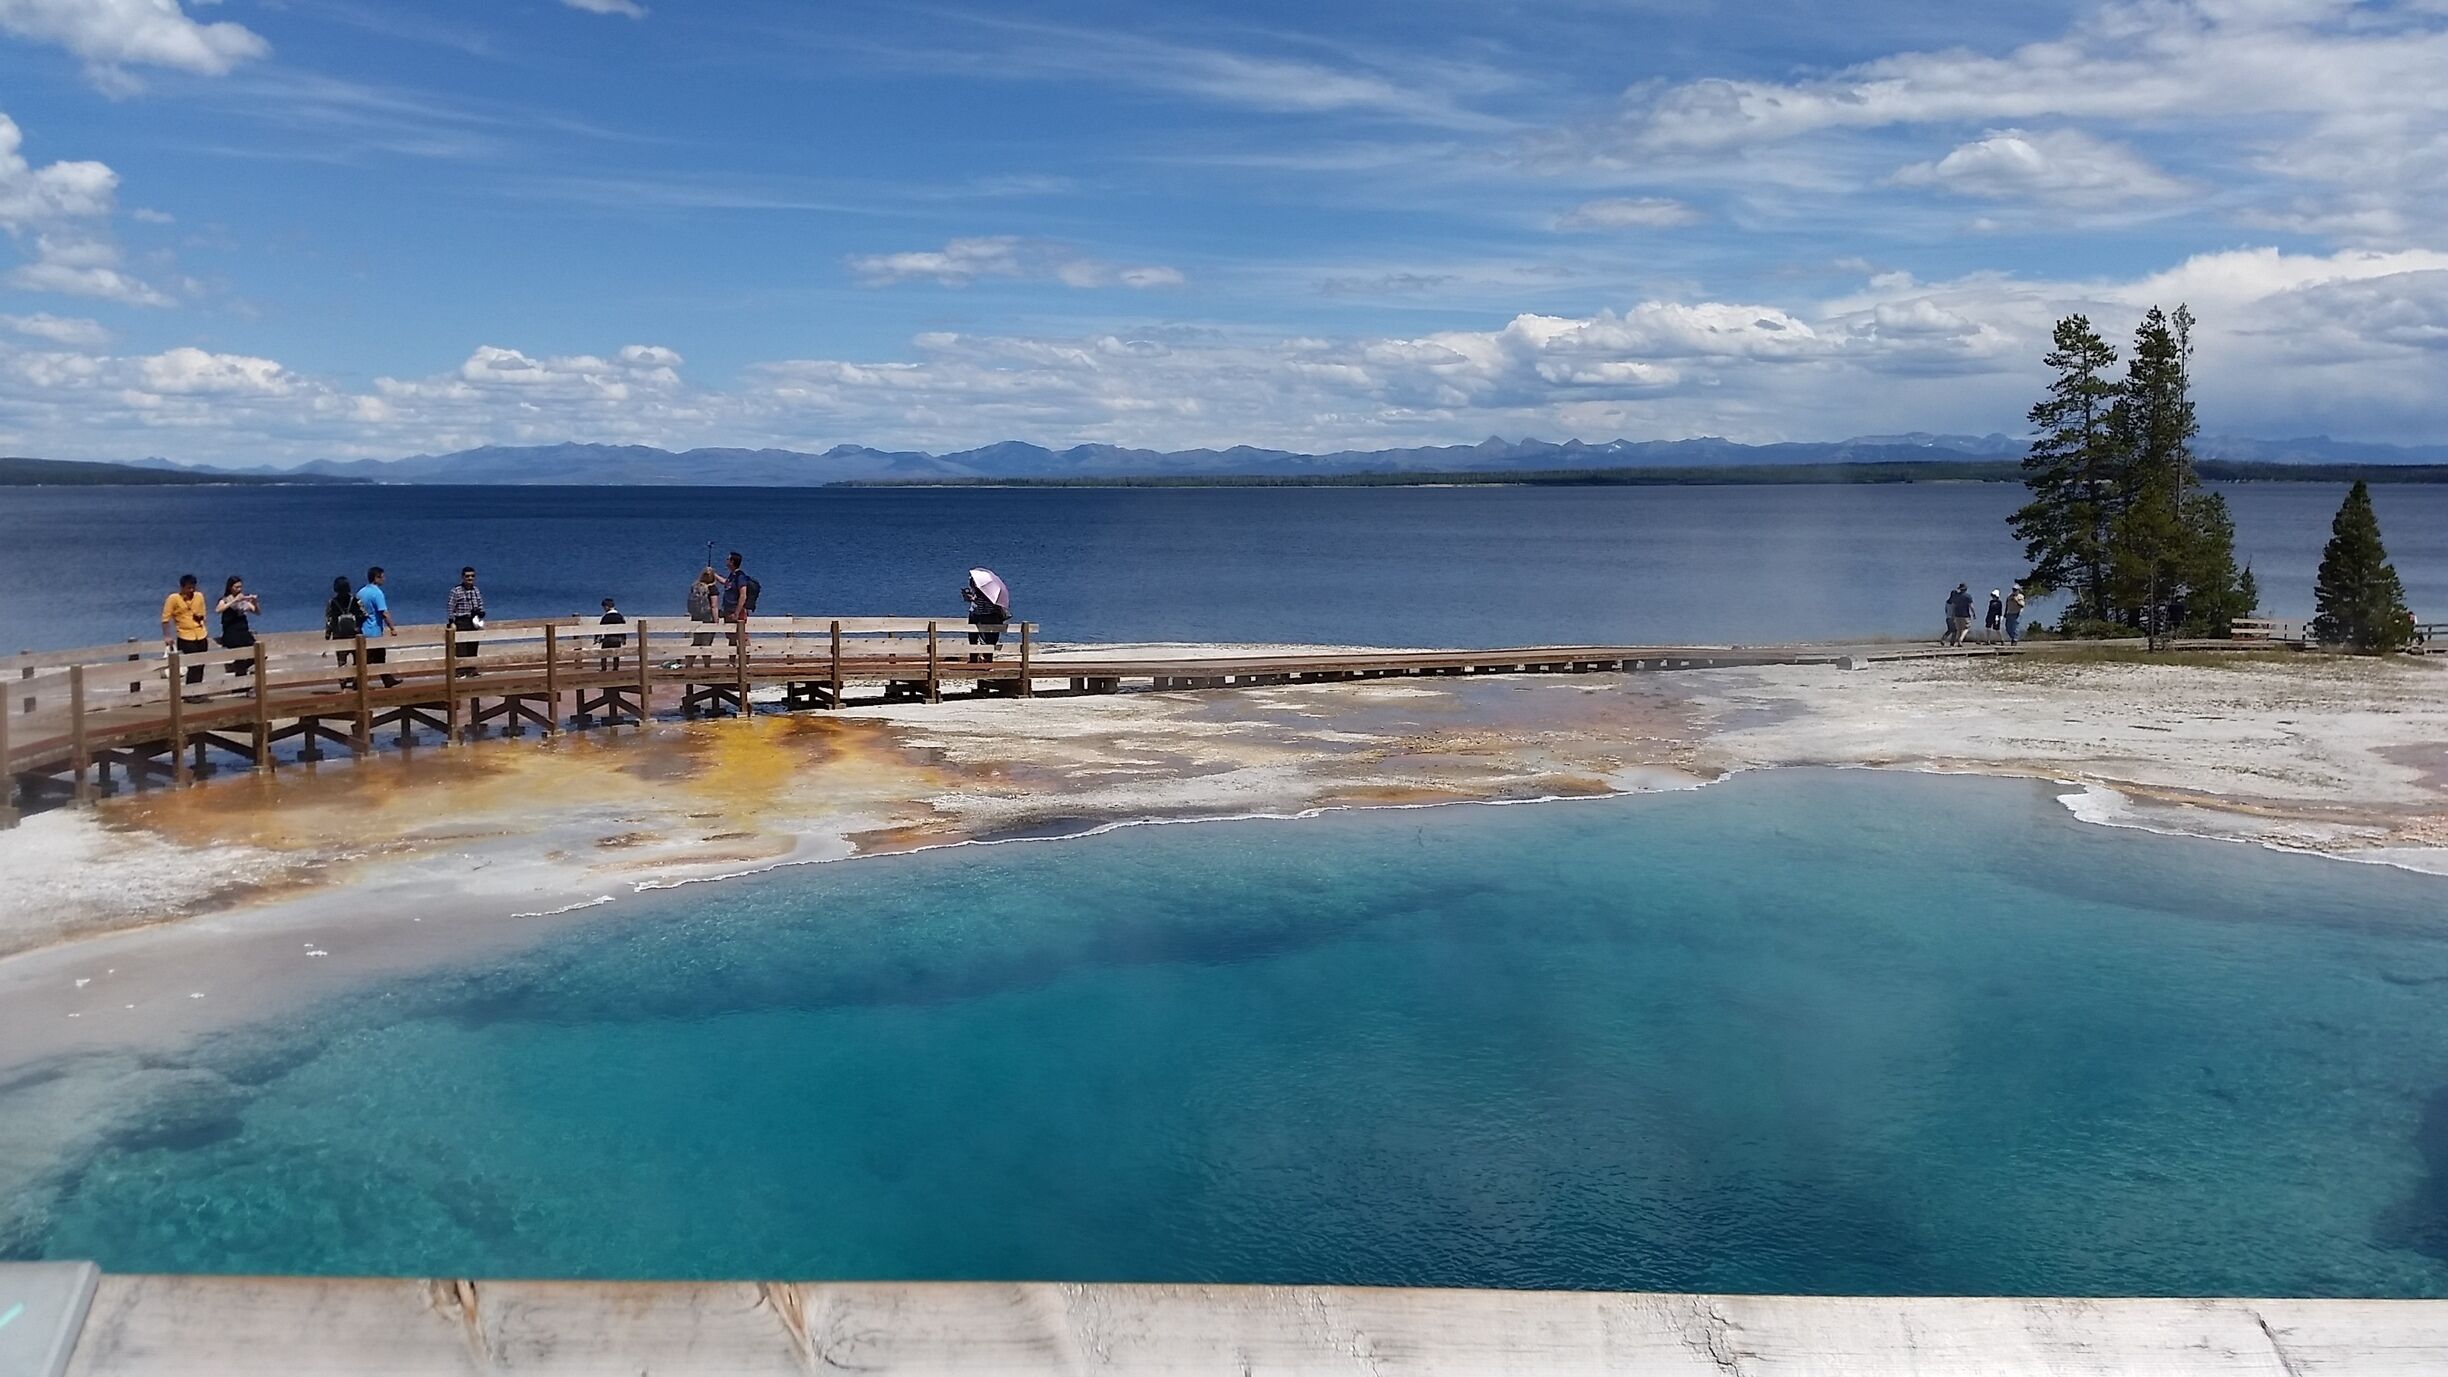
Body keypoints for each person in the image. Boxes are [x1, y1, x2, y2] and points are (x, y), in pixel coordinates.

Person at [162, 573, 210, 696]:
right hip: (185, 635)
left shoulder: (199, 596)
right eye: (189, 587)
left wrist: (201, 619)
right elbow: (165, 619)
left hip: (200, 634)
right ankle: (190, 693)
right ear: (182, 587)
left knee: (201, 664)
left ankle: (198, 692)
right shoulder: (173, 598)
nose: (191, 590)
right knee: (193, 664)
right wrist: (167, 636)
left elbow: (203, 614)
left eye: (193, 587)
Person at [357, 566, 400, 687]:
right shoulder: (377, 593)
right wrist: (392, 628)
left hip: (363, 629)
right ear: (376, 578)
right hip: (374, 630)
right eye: (382, 576)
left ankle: (387, 680)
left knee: (372, 658)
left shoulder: (361, 592)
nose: (384, 579)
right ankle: (359, 683)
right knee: (375, 658)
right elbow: (383, 612)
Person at [216, 575, 260, 681]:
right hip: (232, 633)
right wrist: (234, 600)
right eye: (236, 587)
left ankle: (236, 668)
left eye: (240, 587)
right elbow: (218, 610)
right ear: (230, 587)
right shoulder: (225, 599)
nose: (239, 589)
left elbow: (257, 612)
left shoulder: (243, 600)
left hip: (243, 632)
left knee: (258, 655)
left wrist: (253, 601)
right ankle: (240, 685)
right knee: (240, 658)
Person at [961, 570, 1009, 665]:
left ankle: (981, 659)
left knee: (984, 639)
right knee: (980, 638)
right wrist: (971, 598)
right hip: (982, 616)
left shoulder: (987, 594)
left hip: (985, 616)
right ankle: (979, 659)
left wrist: (973, 599)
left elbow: (982, 607)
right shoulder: (986, 593)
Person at [446, 565, 486, 675]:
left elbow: (480, 603)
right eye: (467, 576)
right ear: (462, 577)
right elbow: (450, 606)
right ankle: (461, 671)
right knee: (461, 647)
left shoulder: (476, 590)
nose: (470, 578)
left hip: (473, 620)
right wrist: (451, 621)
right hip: (461, 620)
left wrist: (481, 612)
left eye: (472, 576)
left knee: (473, 645)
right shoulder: (456, 591)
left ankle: (471, 669)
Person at [325, 576, 364, 687]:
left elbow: (329, 620)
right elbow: (363, 614)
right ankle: (357, 681)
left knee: (342, 660)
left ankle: (343, 682)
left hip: (339, 634)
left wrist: (328, 634)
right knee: (357, 659)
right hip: (354, 634)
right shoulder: (355, 600)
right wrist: (358, 625)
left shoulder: (332, 602)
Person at [687, 566, 720, 666]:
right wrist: (716, 620)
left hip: (696, 617)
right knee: (706, 643)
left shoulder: (695, 587)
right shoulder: (712, 589)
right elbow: (714, 606)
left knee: (696, 642)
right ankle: (707, 665)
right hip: (707, 618)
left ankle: (689, 664)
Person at [596, 597, 627, 673]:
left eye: (604, 607)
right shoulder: (619, 616)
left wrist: (597, 638)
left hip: (608, 638)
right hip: (617, 638)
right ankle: (615, 668)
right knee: (616, 653)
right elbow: (623, 628)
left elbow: (600, 628)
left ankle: (604, 668)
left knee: (603, 653)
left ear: (606, 607)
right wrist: (624, 638)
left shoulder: (605, 617)